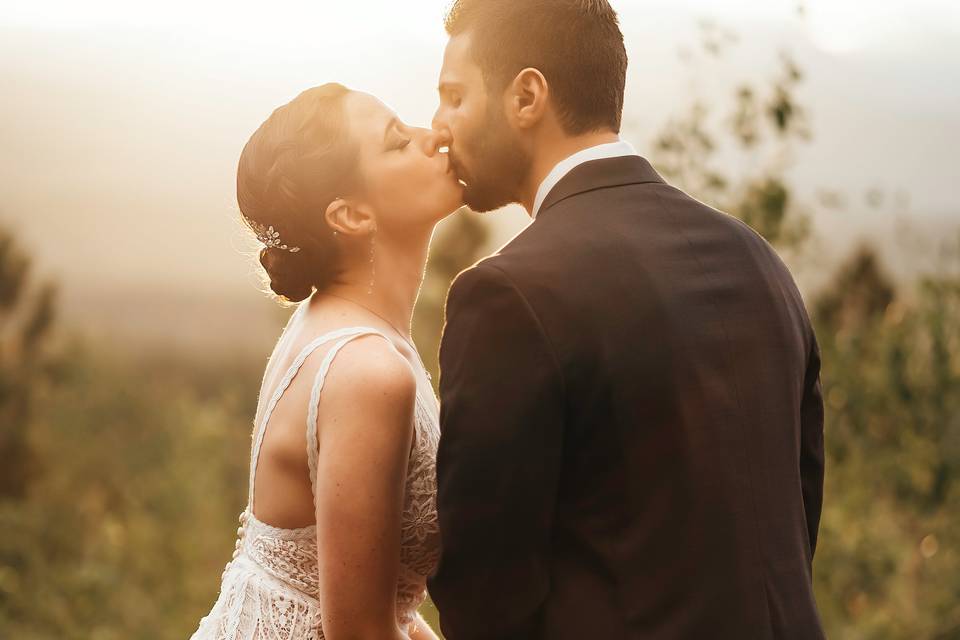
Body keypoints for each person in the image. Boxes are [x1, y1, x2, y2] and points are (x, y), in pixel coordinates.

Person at [428, 1, 826, 638]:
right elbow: (794, 522)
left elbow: (485, 596)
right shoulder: (760, 262)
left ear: (527, 95)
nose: (438, 125)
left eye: (453, 96)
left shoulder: (507, 295)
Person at [189, 83, 458, 640]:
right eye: (397, 142)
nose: (433, 137)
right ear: (351, 214)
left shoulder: (332, 324)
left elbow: (387, 615)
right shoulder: (366, 372)